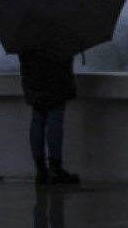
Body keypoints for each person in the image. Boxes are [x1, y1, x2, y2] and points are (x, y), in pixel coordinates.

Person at [19, 42, 81, 185]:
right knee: (55, 117)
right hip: (55, 76)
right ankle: (55, 169)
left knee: (37, 118)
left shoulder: (25, 31)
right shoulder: (58, 30)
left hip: (33, 75)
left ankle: (41, 171)